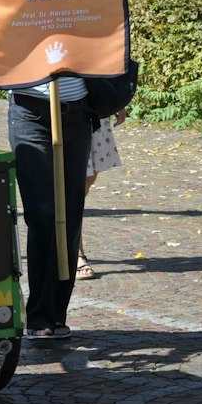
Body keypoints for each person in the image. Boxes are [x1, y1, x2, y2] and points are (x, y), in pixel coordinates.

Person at [6, 74, 92, 342]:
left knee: (70, 213)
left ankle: (56, 313)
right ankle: (39, 315)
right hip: (29, 113)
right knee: (43, 212)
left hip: (77, 112)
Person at [78, 115, 121, 280]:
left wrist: (117, 100)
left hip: (92, 108)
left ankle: (63, 235)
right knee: (75, 185)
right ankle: (75, 253)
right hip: (61, 107)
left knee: (88, 178)